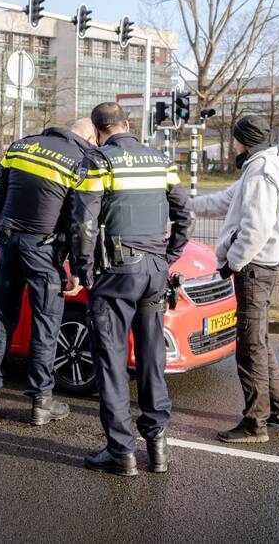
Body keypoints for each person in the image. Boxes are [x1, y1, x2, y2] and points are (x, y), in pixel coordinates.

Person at [70, 102, 192, 476]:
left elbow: (83, 223)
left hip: (116, 273)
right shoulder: (160, 160)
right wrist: (170, 254)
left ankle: (121, 452)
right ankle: (158, 449)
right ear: (127, 124)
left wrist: (82, 269)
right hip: (156, 271)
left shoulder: (98, 162)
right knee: (152, 359)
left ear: (98, 129)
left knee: (111, 361)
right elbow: (184, 211)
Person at [0, 118, 97, 425]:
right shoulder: (79, 161)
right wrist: (77, 268)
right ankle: (41, 402)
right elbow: (79, 220)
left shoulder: (20, 146)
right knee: (45, 324)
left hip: (9, 242)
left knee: (2, 319)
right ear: (88, 136)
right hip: (43, 251)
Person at [191, 114, 279, 443]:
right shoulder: (263, 164)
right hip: (262, 267)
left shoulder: (259, 172)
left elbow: (256, 228)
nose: (233, 144)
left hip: (255, 269)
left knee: (250, 346)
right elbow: (225, 201)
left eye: (236, 139)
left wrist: (232, 264)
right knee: (260, 340)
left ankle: (255, 424)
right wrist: (182, 202)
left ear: (245, 141)